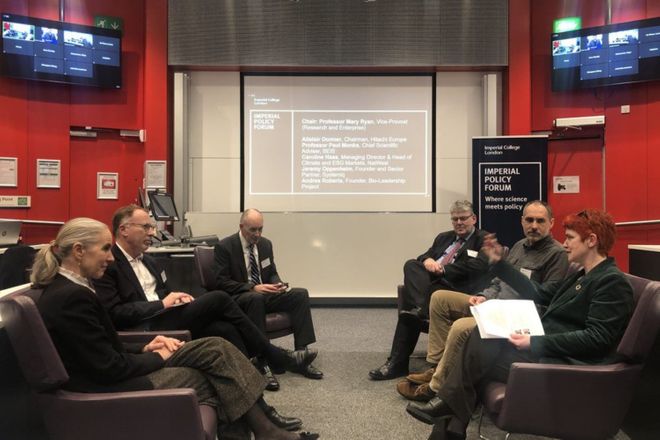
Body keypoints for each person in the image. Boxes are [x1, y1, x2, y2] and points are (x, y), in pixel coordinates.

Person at [30, 217, 319, 440]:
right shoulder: (71, 297)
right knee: (211, 373)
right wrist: (158, 356)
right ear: (78, 251)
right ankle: (266, 427)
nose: (109, 256)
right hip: (109, 386)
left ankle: (265, 429)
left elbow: (101, 344)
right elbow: (108, 367)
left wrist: (145, 345)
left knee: (217, 344)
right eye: (105, 248)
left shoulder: (72, 289)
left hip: (124, 361)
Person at [406, 209, 633, 439]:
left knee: (471, 361)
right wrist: (500, 264)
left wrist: (535, 342)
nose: (565, 244)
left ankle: (446, 407)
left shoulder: (611, 281)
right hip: (548, 354)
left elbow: (597, 338)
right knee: (479, 340)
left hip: (567, 366)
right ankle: (450, 419)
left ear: (591, 240)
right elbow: (538, 293)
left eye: (570, 238)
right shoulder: (581, 275)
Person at [94, 205, 316, 396]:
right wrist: (162, 304)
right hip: (149, 327)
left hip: (169, 316)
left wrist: (178, 297)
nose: (152, 233)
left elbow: (165, 293)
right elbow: (115, 314)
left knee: (225, 328)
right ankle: (273, 355)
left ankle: (251, 381)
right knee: (220, 299)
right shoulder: (108, 265)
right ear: (123, 230)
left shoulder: (151, 262)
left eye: (151, 227)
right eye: (146, 227)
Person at [397, 200, 569, 401]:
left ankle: (436, 388)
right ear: (522, 221)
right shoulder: (518, 246)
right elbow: (498, 280)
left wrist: (498, 306)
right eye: (529, 220)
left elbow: (545, 298)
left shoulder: (557, 254)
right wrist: (485, 296)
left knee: (461, 327)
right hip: (493, 304)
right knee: (439, 298)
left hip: (518, 316)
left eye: (540, 221)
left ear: (552, 223)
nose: (534, 226)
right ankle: (437, 366)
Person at [369, 200, 490, 380]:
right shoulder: (444, 237)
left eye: (463, 218)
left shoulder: (484, 239)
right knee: (411, 265)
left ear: (474, 218)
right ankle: (421, 310)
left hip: (456, 289)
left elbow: (479, 266)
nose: (459, 223)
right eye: (455, 219)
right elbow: (425, 255)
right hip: (432, 286)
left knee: (408, 314)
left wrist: (444, 269)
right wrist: (427, 261)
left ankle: (397, 362)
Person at [213, 208, 323, 380]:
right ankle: (262, 361)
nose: (257, 234)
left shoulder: (265, 244)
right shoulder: (225, 247)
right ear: (241, 226)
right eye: (253, 230)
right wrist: (251, 287)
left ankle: (301, 355)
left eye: (260, 229)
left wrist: (277, 284)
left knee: (300, 294)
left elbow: (271, 271)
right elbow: (220, 282)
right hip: (241, 298)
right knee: (255, 298)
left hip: (263, 294)